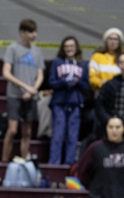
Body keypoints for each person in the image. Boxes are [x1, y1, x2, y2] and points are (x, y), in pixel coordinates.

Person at [2, 19, 45, 163]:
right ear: (22, 32)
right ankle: (3, 161)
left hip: (30, 96)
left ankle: (23, 162)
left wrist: (33, 90)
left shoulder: (37, 52)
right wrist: (26, 88)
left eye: (35, 31)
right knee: (13, 130)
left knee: (27, 132)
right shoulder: (12, 48)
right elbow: (6, 73)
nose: (34, 35)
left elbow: (40, 75)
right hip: (15, 95)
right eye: (31, 32)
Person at [48, 36, 89, 165]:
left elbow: (86, 86)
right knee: (57, 136)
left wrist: (77, 83)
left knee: (73, 137)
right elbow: (51, 82)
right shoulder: (57, 62)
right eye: (66, 46)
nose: (69, 49)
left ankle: (70, 164)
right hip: (59, 103)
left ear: (76, 48)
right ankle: (54, 164)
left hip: (75, 103)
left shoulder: (83, 64)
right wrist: (65, 82)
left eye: (71, 46)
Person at [89, 28, 123, 92]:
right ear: (106, 41)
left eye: (116, 39)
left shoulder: (122, 58)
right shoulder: (97, 56)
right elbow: (92, 77)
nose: (113, 42)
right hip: (101, 92)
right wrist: (103, 84)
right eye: (110, 39)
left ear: (119, 42)